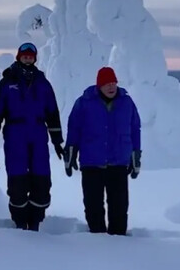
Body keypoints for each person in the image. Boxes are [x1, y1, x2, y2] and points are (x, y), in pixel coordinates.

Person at [0, 42, 64, 231]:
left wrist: (57, 140)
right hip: (15, 135)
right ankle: (20, 223)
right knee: (17, 181)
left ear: (35, 58)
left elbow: (53, 113)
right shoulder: (7, 83)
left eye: (31, 56)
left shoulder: (42, 83)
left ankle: (36, 222)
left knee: (41, 181)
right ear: (19, 57)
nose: (28, 58)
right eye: (25, 55)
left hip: (38, 135)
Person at [64, 66, 141, 235]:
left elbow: (135, 128)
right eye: (107, 84)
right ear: (99, 85)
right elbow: (74, 128)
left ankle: (119, 240)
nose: (111, 87)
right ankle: (97, 241)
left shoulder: (126, 102)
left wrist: (136, 154)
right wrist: (70, 151)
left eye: (113, 83)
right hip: (92, 163)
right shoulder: (84, 103)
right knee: (93, 207)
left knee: (119, 207)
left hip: (118, 163)